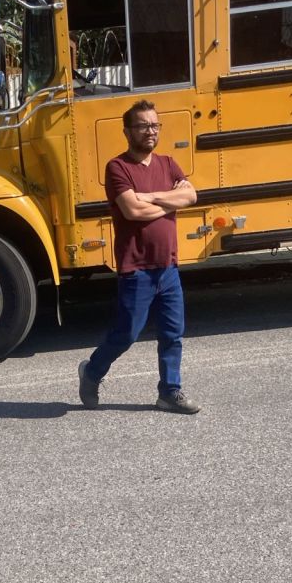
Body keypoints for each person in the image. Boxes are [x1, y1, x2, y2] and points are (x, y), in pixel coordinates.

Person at [78, 100, 200, 414]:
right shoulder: (117, 167)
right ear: (127, 131)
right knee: (127, 334)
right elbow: (132, 210)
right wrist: (169, 201)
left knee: (173, 334)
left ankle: (169, 392)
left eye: (155, 125)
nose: (151, 131)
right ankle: (92, 371)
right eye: (143, 125)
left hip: (168, 266)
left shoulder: (168, 163)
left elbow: (191, 195)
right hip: (137, 268)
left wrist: (150, 197)